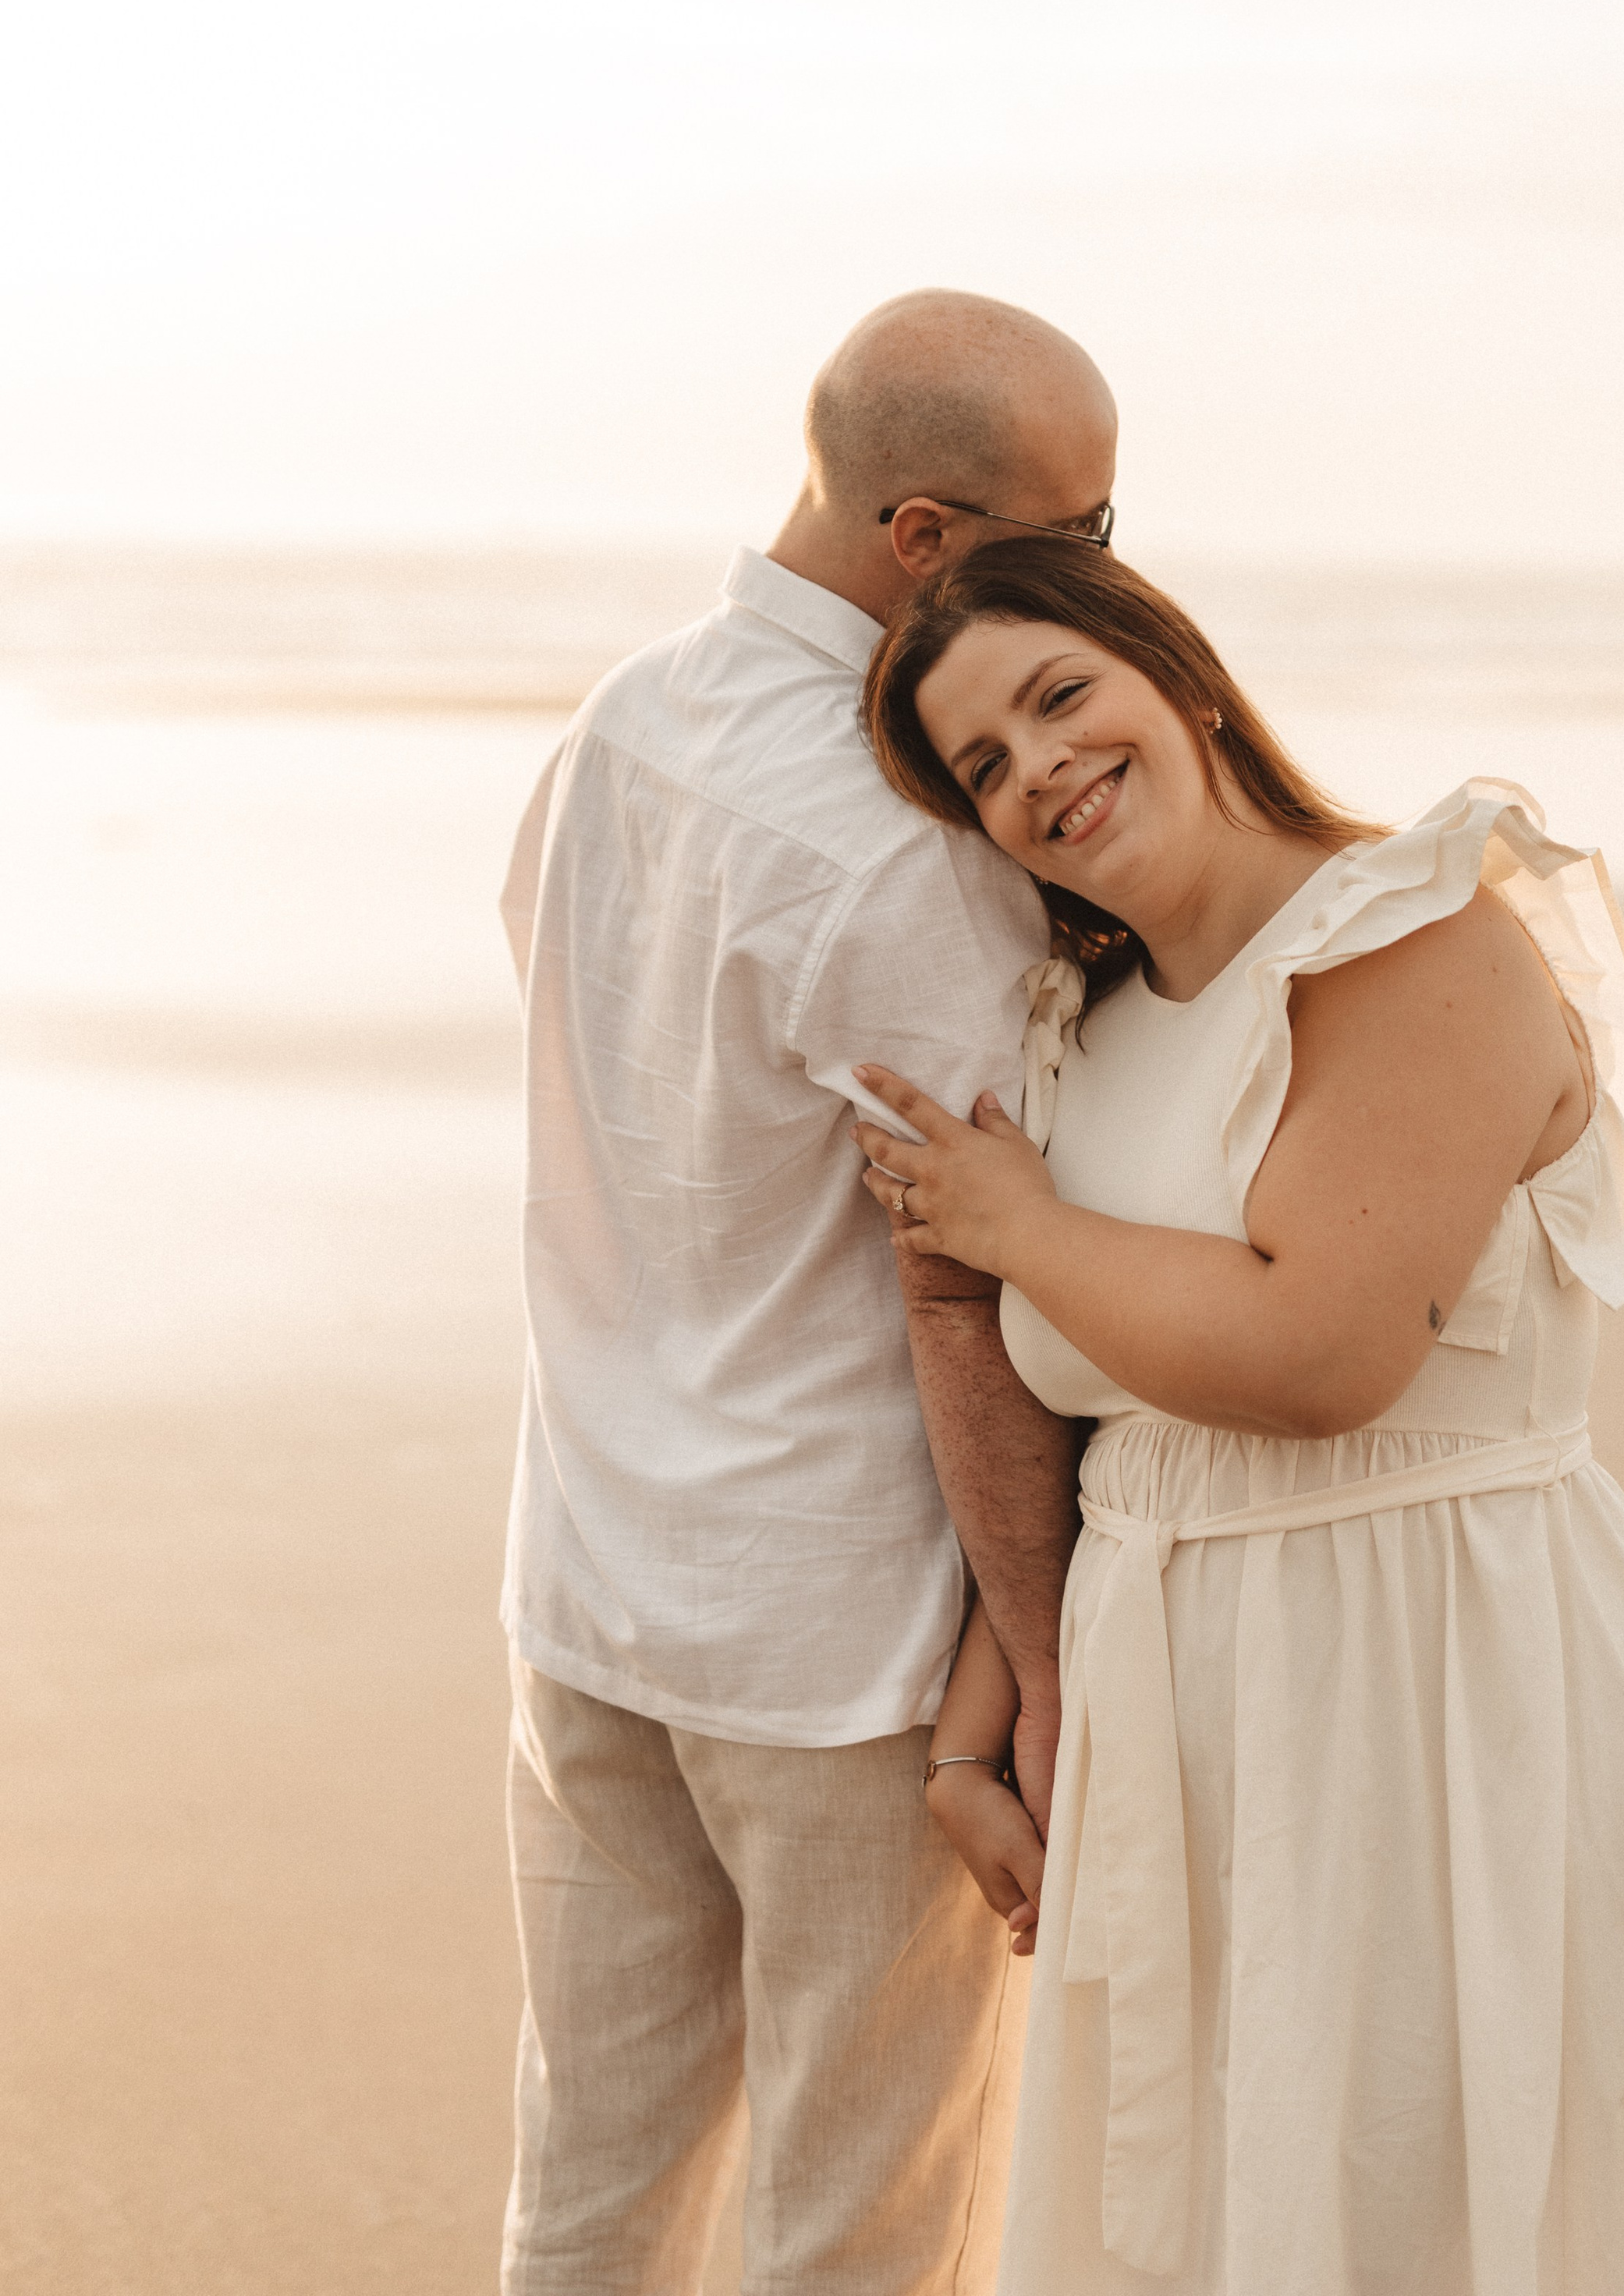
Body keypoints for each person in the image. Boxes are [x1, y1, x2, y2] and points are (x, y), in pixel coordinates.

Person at [853, 539, 1624, 2296]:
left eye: (1060, 698)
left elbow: (1313, 1356)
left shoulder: (1418, 931)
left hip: (1430, 1675)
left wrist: (1013, 1225)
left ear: (1185, 682)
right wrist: (974, 1739)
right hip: (1168, 1703)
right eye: (982, 766)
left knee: (1419, 2201)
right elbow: (1110, 1434)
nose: (1035, 770)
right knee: (1191, 2218)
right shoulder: (1091, 1020)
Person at [495, 294, 1117, 2295]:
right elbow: (981, 1275)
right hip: (833, 1643)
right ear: (927, 535)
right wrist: (1034, 1661)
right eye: (1078, 531)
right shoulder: (905, 844)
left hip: (588, 1570)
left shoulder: (626, 715)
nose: (1111, 571)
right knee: (857, 2232)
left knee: (586, 2198)